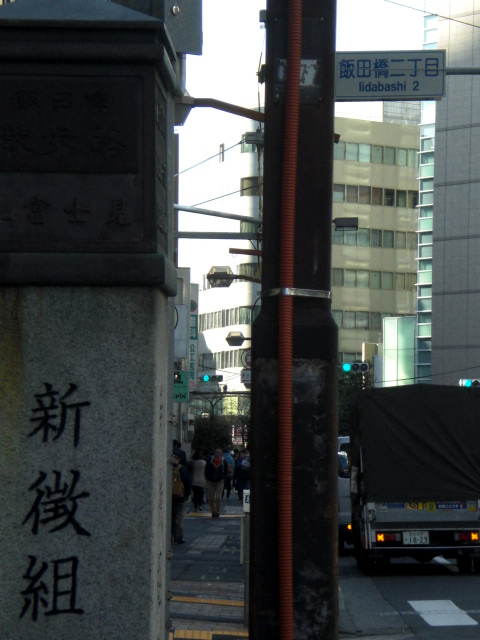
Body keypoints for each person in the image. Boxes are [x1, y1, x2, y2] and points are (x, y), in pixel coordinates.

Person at [171, 453, 191, 543]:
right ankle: (179, 537)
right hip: (180, 496)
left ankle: (170, 536)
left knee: (170, 516)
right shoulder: (182, 469)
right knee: (179, 517)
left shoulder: (169, 468)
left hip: (170, 496)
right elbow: (188, 483)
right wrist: (187, 494)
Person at [204, 447, 228, 518]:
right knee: (210, 498)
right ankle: (213, 511)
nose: (217, 454)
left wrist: (223, 479)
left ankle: (217, 512)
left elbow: (226, 472)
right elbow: (206, 470)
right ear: (214, 453)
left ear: (221, 454)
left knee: (218, 497)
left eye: (219, 453)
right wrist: (207, 478)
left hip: (220, 481)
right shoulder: (210, 460)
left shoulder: (223, 461)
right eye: (216, 452)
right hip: (210, 481)